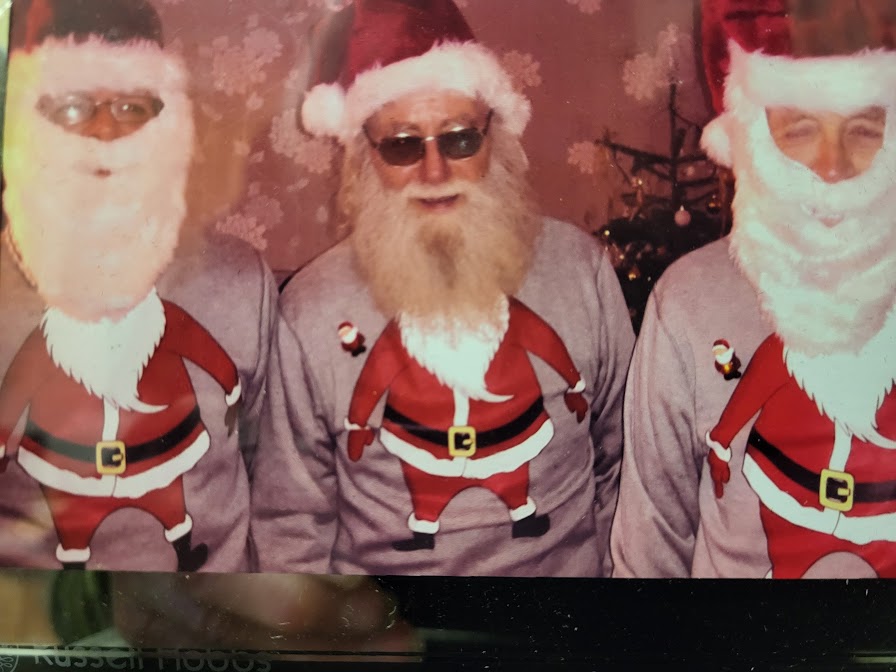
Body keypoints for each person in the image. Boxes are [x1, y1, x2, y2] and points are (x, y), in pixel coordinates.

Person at [250, 0, 633, 577]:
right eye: (403, 145)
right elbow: (293, 521)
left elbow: (624, 467)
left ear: (494, 139)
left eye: (458, 140)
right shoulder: (311, 306)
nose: (434, 172)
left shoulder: (580, 269)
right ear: (365, 157)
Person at [611, 0, 896, 578]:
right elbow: (651, 545)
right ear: (753, 139)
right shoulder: (685, 301)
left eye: (864, 129)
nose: (832, 166)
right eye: (801, 128)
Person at [0, 0, 277, 572]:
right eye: (72, 106)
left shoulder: (240, 283)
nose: (105, 132)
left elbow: (271, 470)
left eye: (131, 107)